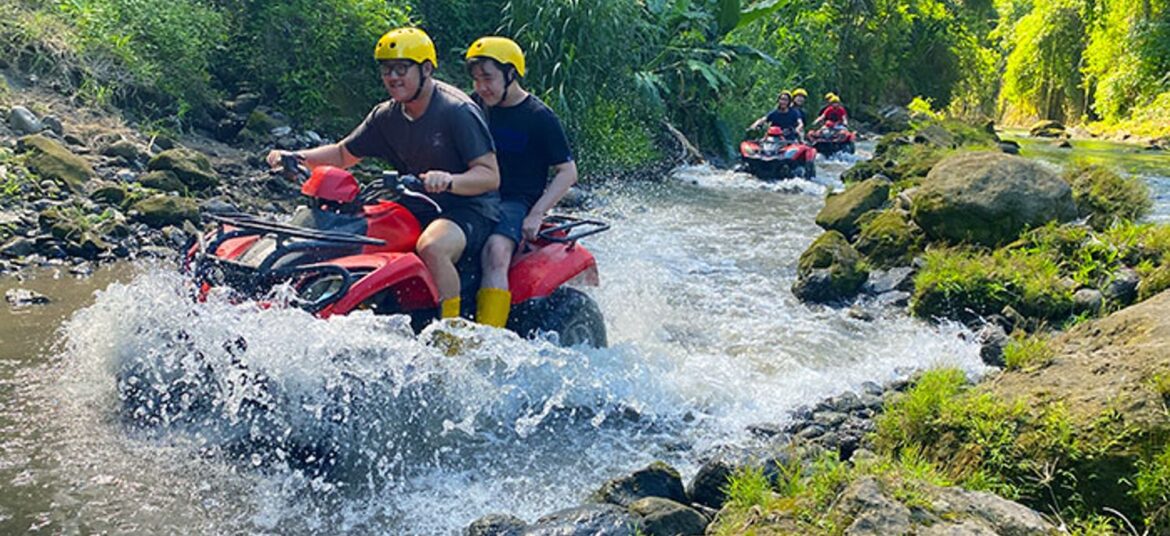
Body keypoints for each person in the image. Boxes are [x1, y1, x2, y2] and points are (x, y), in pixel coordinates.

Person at [266, 27, 500, 321]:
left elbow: (489, 176)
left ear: (426, 69)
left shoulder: (458, 111)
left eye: (402, 68)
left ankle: (451, 332)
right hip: (413, 201)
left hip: (469, 207)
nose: (392, 77)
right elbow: (342, 154)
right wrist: (295, 157)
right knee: (349, 228)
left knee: (433, 246)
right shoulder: (386, 115)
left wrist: (449, 180)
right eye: (387, 69)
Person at [465, 36, 578, 328]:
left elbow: (567, 172)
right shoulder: (473, 106)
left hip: (515, 201)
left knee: (496, 250)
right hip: (472, 191)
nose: (481, 87)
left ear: (511, 74)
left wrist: (537, 213)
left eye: (488, 78)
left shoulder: (539, 117)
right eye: (476, 79)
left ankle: (489, 338)